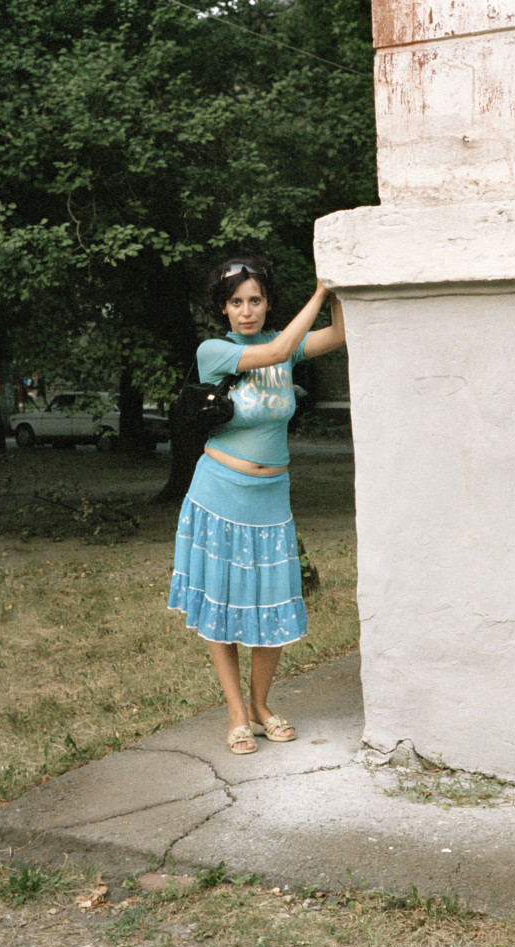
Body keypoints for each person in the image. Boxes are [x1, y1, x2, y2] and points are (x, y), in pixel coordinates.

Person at [168, 258, 346, 755]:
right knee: (221, 604)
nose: (246, 311)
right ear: (223, 309)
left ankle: (261, 705)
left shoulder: (285, 344)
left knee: (273, 601)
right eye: (236, 302)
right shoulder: (215, 351)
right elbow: (279, 350)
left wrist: (338, 284)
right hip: (219, 495)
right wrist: (318, 292)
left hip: (271, 500)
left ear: (268, 304)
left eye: (255, 300)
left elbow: (339, 335)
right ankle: (236, 713)